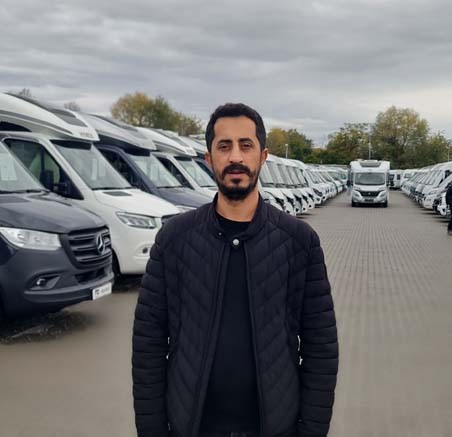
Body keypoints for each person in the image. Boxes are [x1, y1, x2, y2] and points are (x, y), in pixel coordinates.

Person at [132, 103, 339, 437]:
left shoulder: (299, 242)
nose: (236, 157)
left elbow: (321, 347)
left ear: (263, 155)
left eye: (246, 145)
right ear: (209, 158)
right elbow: (148, 344)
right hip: (192, 427)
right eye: (224, 146)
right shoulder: (174, 239)